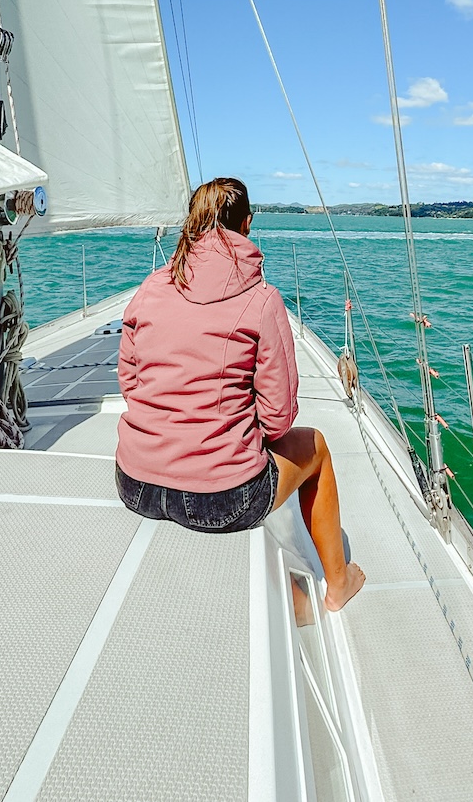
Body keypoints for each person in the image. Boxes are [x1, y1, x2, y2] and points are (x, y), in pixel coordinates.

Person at [115, 176, 365, 612]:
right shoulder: (263, 300)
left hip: (134, 484)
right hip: (220, 502)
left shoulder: (150, 288)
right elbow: (279, 419)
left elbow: (130, 383)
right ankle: (338, 584)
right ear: (247, 224)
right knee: (316, 447)